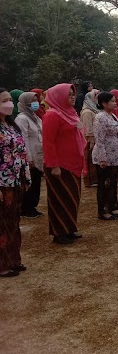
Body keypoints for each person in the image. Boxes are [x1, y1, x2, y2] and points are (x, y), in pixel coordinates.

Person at [42, 83, 86, 245]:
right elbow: (49, 142)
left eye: (73, 94)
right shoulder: (52, 115)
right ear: (59, 96)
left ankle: (69, 228)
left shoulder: (70, 113)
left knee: (72, 198)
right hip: (59, 166)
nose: (73, 97)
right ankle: (59, 232)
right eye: (68, 95)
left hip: (73, 164)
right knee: (59, 199)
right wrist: (54, 165)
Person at [0, 87, 31, 277]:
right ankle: (3, 264)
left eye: (8, 100)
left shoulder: (12, 126)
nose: (9, 104)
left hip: (16, 180)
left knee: (13, 222)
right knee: (2, 223)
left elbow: (22, 153)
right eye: (3, 101)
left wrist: (26, 177)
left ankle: (14, 259)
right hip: (2, 183)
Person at [92, 91, 118, 220]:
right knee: (104, 184)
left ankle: (111, 208)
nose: (114, 103)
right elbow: (99, 139)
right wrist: (103, 158)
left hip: (115, 156)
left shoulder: (112, 116)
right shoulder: (100, 117)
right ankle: (103, 211)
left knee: (112, 184)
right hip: (104, 158)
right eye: (111, 101)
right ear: (104, 104)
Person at [14, 92, 44, 218]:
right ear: (25, 103)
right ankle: (26, 208)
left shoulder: (34, 116)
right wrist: (28, 158)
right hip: (30, 154)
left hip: (38, 154)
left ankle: (32, 206)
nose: (36, 103)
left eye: (36, 100)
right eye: (32, 101)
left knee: (36, 181)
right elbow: (23, 139)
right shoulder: (22, 118)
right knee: (29, 182)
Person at [80, 90, 99, 188]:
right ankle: (90, 180)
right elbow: (88, 127)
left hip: (95, 139)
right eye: (96, 97)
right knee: (89, 160)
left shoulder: (93, 110)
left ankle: (95, 179)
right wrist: (90, 139)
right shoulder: (87, 112)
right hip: (89, 140)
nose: (97, 99)